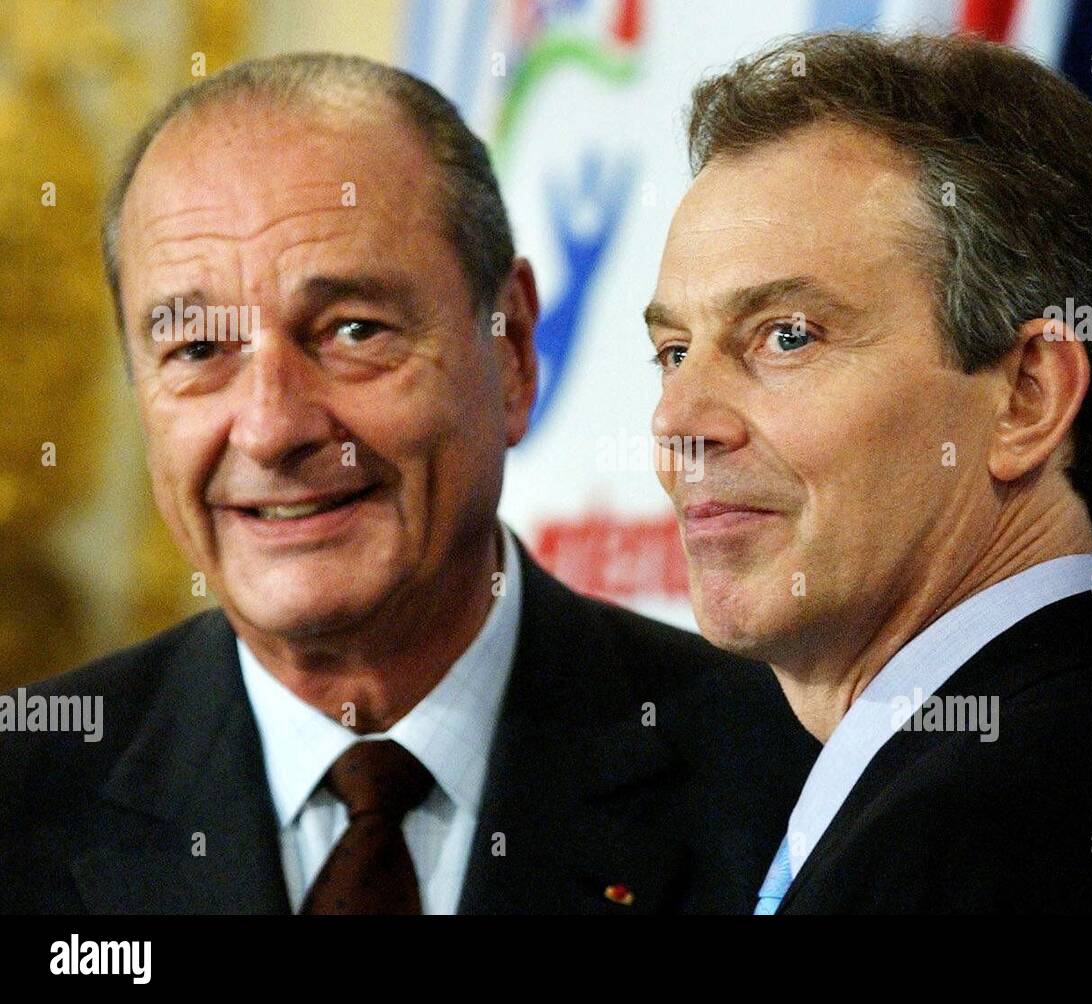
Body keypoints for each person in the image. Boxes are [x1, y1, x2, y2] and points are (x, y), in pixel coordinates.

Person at [0, 53, 818, 915]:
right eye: (199, 351)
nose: (273, 427)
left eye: (354, 330)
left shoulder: (787, 782)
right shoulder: (23, 799)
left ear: (510, 350)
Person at [646, 31, 1092, 913]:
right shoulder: (1034, 788)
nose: (677, 422)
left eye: (788, 335)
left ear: (1027, 396)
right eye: (674, 351)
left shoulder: (1006, 844)